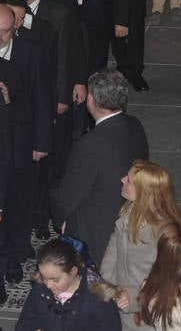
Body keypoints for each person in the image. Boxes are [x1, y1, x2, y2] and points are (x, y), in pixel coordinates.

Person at [51, 70, 150, 264]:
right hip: (130, 218)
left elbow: (71, 192)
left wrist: (60, 218)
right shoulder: (134, 125)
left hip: (95, 232)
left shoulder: (89, 144)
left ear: (91, 99)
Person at [102, 161, 181, 327]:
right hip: (122, 301)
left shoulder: (164, 233)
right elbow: (113, 251)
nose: (122, 180)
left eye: (128, 180)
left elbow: (170, 279)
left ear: (144, 192)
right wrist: (111, 284)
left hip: (146, 313)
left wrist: (133, 297)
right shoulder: (128, 212)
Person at [16, 238, 120, 330]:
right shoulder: (40, 291)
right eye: (44, 278)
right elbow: (24, 324)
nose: (48, 285)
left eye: (55, 280)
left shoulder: (97, 299)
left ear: (73, 271)